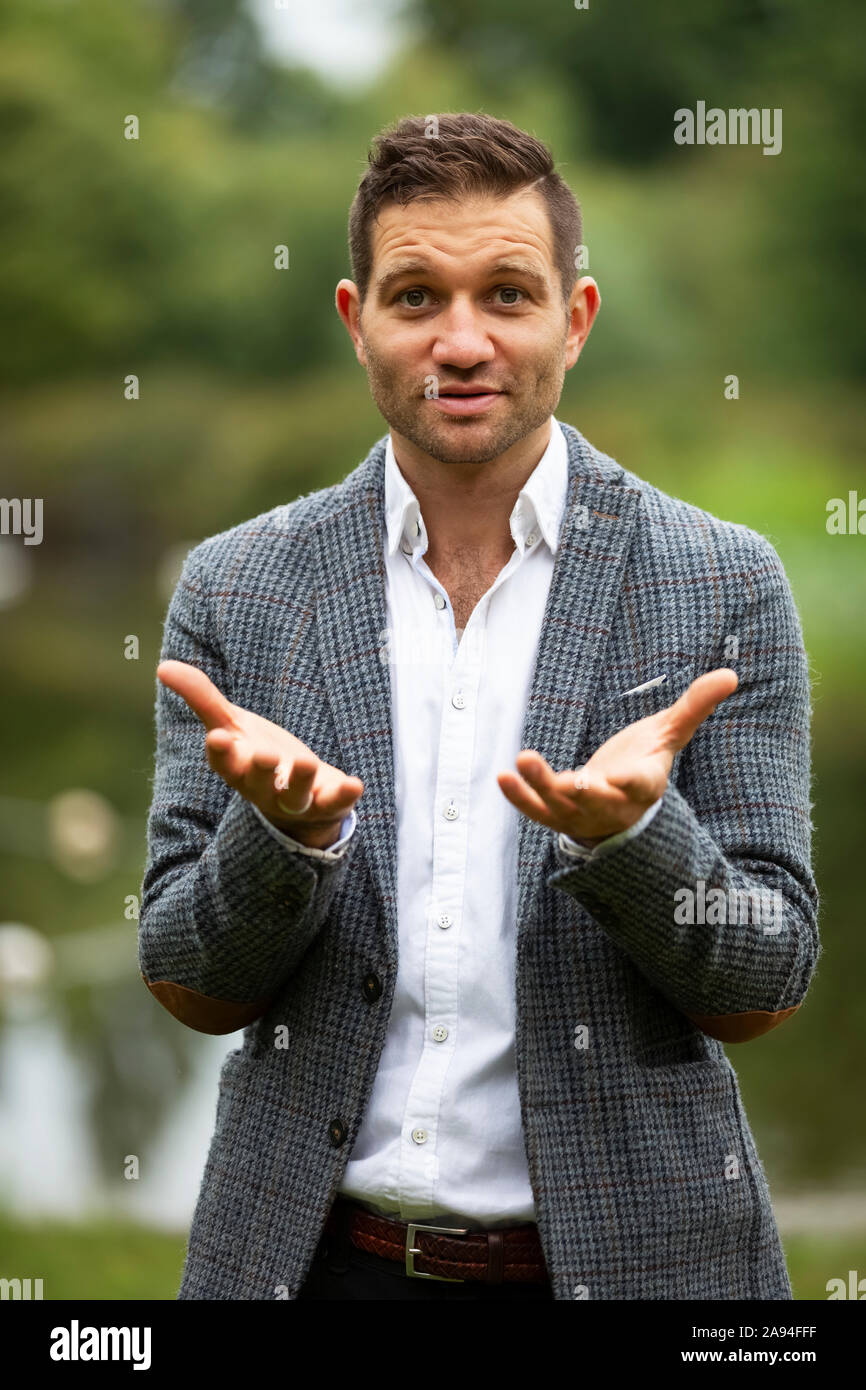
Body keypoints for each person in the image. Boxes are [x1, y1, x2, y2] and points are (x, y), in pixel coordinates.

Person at [138, 112, 819, 1300]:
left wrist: (638, 844)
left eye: (507, 294)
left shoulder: (723, 581)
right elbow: (187, 982)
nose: (462, 341)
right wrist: (284, 842)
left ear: (575, 316)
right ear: (357, 321)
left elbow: (766, 982)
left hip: (638, 1264)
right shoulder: (235, 586)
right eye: (415, 298)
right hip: (308, 1263)